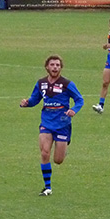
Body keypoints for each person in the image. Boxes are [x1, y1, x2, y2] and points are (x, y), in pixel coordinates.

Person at [19, 55, 84, 195]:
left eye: (57, 65)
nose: (55, 67)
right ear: (47, 67)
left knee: (58, 160)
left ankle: (64, 146)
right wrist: (26, 103)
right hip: (46, 123)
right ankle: (47, 187)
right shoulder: (41, 83)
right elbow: (35, 99)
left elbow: (79, 99)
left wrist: (74, 110)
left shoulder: (67, 84)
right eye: (52, 65)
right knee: (44, 153)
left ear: (61, 68)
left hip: (62, 124)